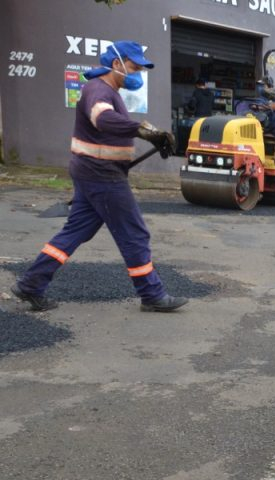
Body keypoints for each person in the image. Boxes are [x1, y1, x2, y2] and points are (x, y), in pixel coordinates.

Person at [10, 41, 187, 313]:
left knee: (76, 231)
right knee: (134, 233)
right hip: (102, 176)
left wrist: (146, 138)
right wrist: (142, 130)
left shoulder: (106, 91)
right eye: (134, 67)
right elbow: (103, 119)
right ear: (117, 64)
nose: (138, 74)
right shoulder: (98, 90)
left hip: (93, 172)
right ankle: (152, 294)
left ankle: (31, 284)